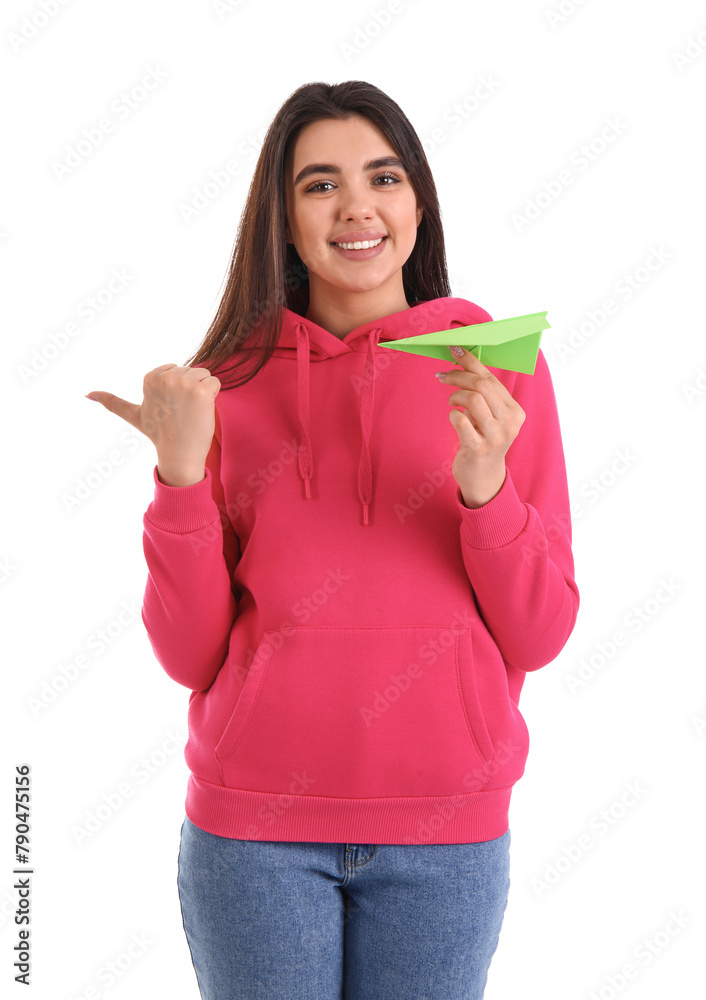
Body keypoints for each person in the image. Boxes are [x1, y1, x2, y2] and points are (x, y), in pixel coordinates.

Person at [86, 80, 579, 1000]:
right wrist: (181, 481)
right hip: (252, 838)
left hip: (448, 833)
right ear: (281, 219)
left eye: (382, 176)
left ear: (417, 203)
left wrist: (486, 492)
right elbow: (188, 654)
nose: (357, 205)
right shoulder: (222, 385)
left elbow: (543, 635)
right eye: (319, 184)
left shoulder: (499, 368)